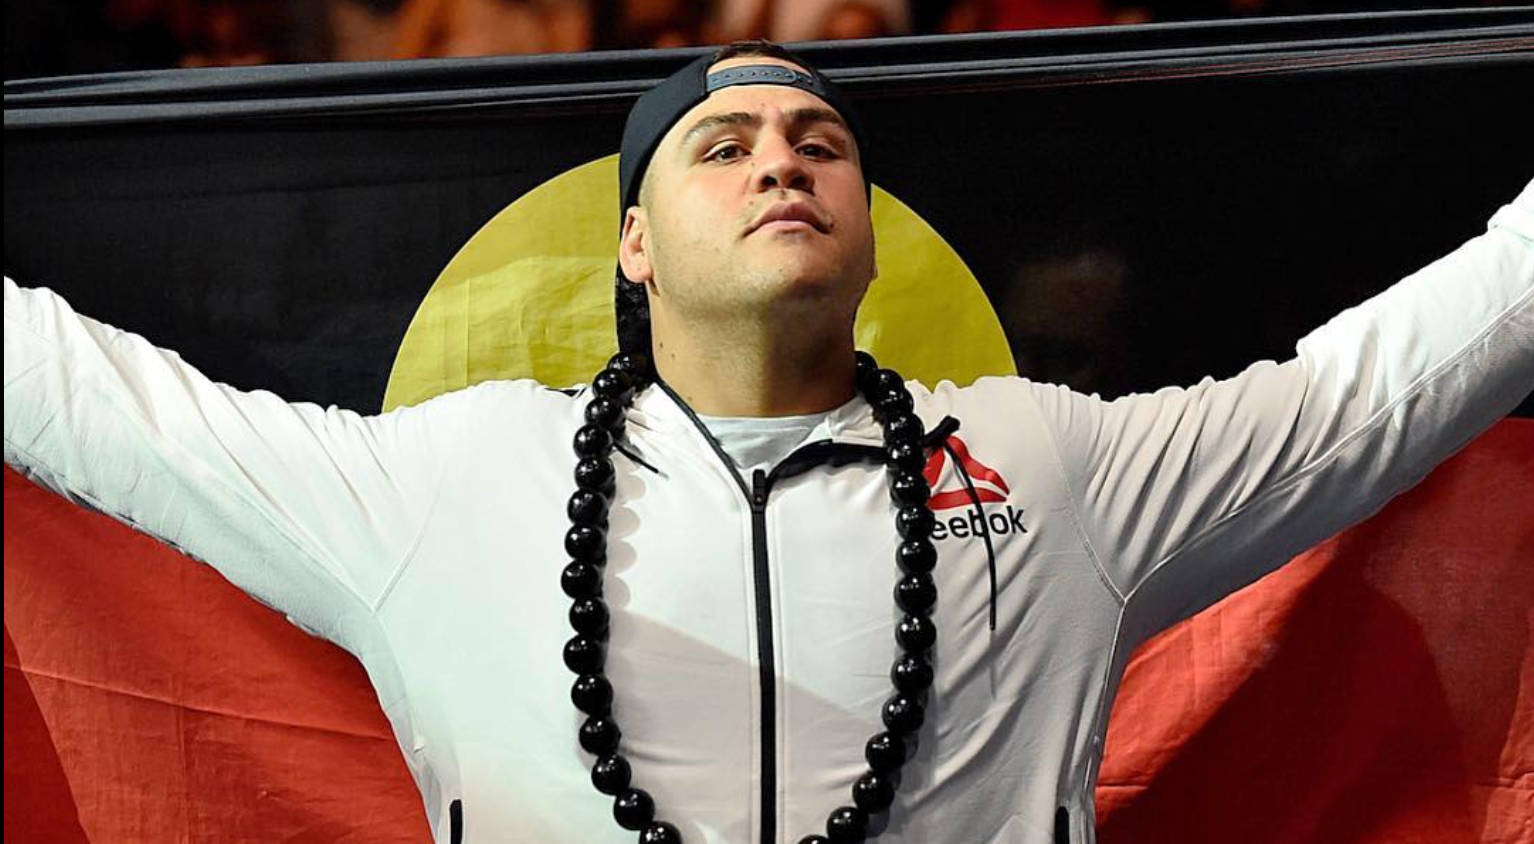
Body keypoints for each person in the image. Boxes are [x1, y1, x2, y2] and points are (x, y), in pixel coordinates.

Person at [4, 38, 1531, 844]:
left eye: (821, 147)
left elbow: (1380, 390)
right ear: (635, 251)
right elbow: (97, 405)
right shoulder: (450, 483)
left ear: (872, 244)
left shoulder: (1055, 471)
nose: (780, 162)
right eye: (719, 149)